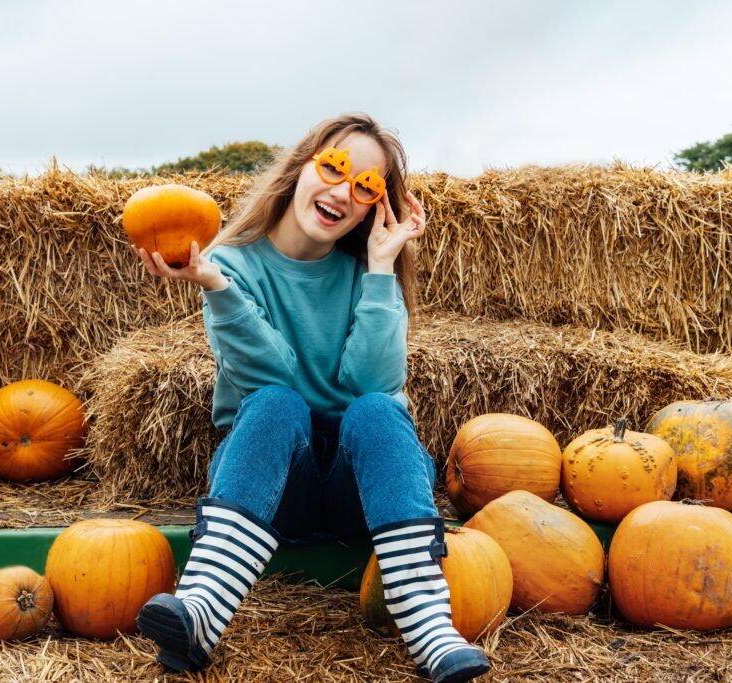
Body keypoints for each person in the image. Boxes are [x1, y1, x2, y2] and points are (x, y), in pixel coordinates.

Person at [133, 113, 491, 683]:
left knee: (377, 410)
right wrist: (218, 290)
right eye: (334, 168)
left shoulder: (365, 272)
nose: (342, 192)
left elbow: (370, 384)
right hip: (279, 491)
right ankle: (202, 610)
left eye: (365, 186)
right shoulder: (229, 266)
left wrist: (380, 267)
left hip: (359, 495)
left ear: (377, 207)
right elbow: (270, 375)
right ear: (303, 164)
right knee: (275, 403)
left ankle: (428, 625)